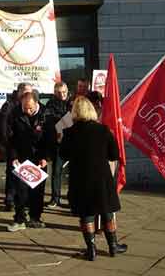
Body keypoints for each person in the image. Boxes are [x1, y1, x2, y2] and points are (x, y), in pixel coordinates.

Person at [60, 97, 127, 261]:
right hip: (101, 177)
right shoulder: (103, 130)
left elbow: (63, 155)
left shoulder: (69, 132)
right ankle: (113, 246)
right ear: (92, 110)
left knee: (86, 213)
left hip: (80, 178)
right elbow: (114, 155)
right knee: (106, 211)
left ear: (75, 112)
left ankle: (91, 250)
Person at [7, 92, 48, 231]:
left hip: (38, 158)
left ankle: (35, 217)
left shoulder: (45, 115)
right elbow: (11, 138)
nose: (27, 111)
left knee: (38, 191)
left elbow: (50, 139)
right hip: (22, 157)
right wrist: (14, 157)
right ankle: (19, 219)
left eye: (30, 108)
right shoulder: (16, 114)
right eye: (25, 108)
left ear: (36, 103)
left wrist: (45, 157)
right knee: (20, 191)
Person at [1, 82, 34, 211]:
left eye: (30, 92)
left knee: (25, 174)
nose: (28, 94)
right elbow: (4, 126)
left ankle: (23, 200)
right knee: (12, 173)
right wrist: (8, 142)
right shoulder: (10, 105)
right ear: (19, 92)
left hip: (27, 147)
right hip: (13, 146)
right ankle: (10, 200)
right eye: (25, 91)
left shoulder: (29, 104)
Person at [44, 82, 70, 208]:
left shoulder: (73, 102)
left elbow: (74, 117)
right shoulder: (50, 104)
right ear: (55, 92)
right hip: (58, 143)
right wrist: (63, 122)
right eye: (59, 92)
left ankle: (72, 198)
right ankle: (55, 198)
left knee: (75, 172)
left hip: (72, 141)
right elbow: (49, 120)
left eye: (64, 92)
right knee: (56, 171)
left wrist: (60, 124)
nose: (62, 95)